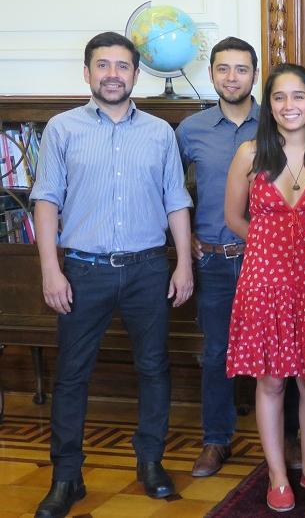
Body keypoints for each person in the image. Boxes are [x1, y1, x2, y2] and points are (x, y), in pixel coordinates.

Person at [30, 31, 194, 518]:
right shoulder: (62, 129)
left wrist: (182, 262)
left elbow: (176, 201)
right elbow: (45, 201)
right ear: (87, 73)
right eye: (103, 66)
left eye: (122, 66)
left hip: (148, 268)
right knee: (72, 376)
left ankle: (150, 463)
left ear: (135, 74)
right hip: (83, 270)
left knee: (153, 369)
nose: (113, 75)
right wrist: (49, 271)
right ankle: (66, 477)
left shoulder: (159, 132)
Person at [223, 63, 305, 512]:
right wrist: (270, 247)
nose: (290, 106)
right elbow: (233, 217)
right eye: (279, 97)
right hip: (264, 283)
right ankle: (276, 475)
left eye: (299, 96)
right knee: (270, 380)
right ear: (268, 104)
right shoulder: (251, 153)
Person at [176, 36, 260, 478]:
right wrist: (185, 235)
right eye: (223, 69)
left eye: (241, 69)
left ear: (255, 74)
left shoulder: (279, 123)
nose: (232, 77)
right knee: (216, 353)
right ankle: (215, 439)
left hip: (265, 259)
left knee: (276, 350)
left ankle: (284, 437)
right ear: (212, 74)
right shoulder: (190, 130)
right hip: (213, 259)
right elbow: (172, 192)